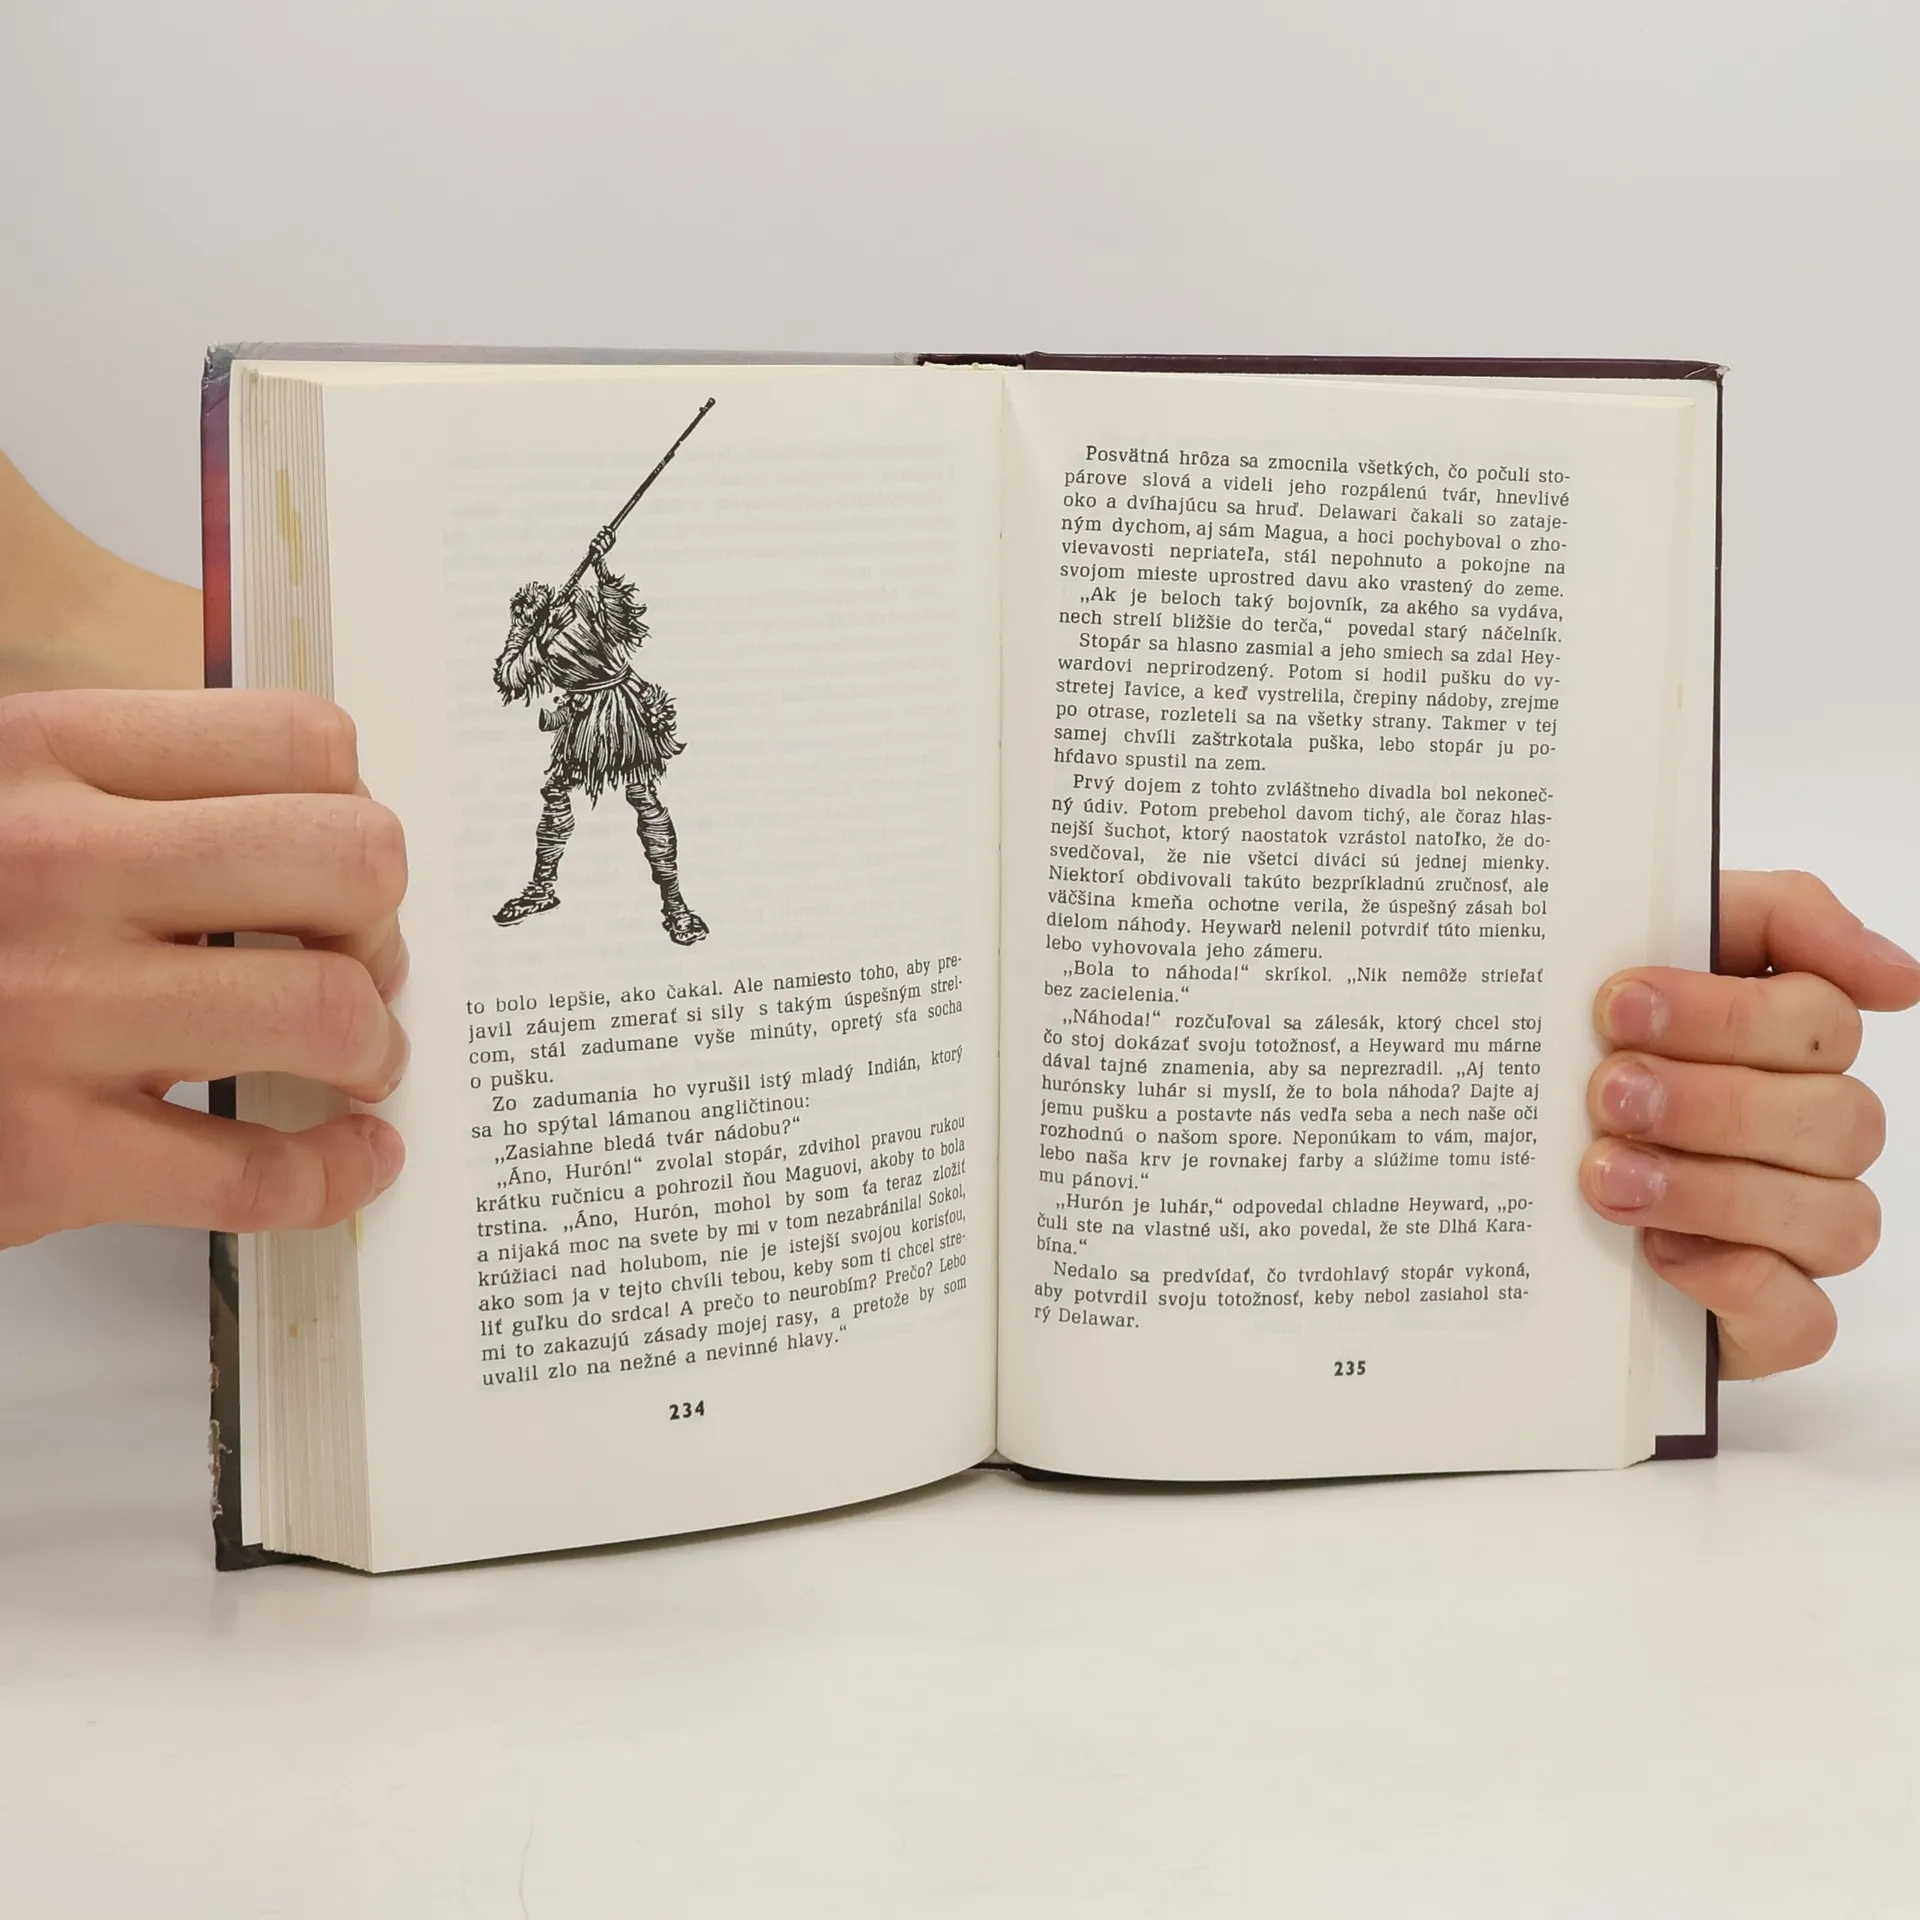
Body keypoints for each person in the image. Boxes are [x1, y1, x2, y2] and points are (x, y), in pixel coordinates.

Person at [1, 451, 1913, 1379]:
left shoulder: (596, 636)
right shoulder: (550, 646)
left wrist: (1482, 908)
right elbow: (501, 677)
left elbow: (72, 637)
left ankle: (637, 892)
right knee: (585, 812)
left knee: (632, 810)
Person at [491, 526, 707, 943]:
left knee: (643, 795)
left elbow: (621, 621)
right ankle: (542, 888)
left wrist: (602, 566)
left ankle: (676, 906)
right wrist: (528, 634)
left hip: (622, 711)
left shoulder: (583, 609)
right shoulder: (537, 643)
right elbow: (509, 676)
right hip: (582, 720)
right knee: (557, 791)